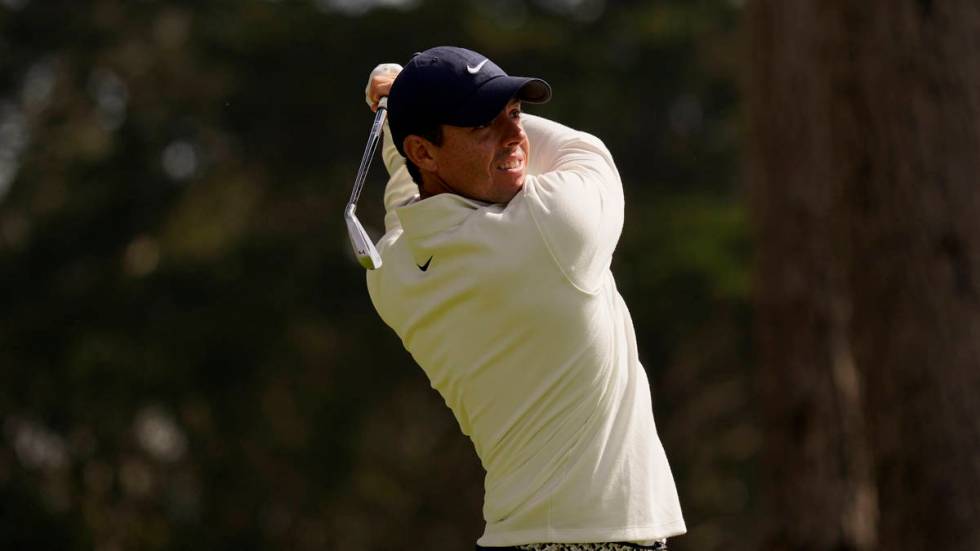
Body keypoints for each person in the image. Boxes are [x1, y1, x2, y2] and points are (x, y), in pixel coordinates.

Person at [361, 46, 685, 550]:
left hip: (512, 536)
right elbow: (584, 149)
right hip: (607, 539)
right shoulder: (555, 226)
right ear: (424, 150)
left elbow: (410, 193)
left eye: (515, 114)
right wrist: (399, 107)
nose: (515, 135)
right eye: (483, 124)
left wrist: (401, 121)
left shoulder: (392, 272)